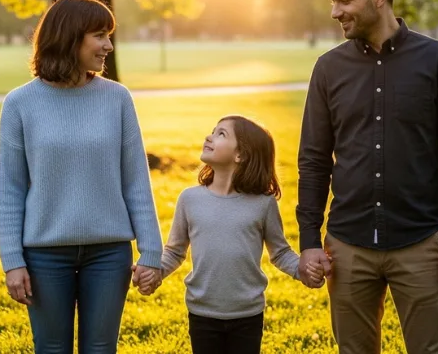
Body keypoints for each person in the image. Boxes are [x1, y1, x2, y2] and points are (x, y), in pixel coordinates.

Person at [296, 0, 438, 353]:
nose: (334, 12)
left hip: (420, 244)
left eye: (344, 0)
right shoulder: (328, 69)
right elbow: (313, 160)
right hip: (347, 245)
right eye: (332, 1)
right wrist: (310, 239)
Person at [0, 0, 163, 354]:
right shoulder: (19, 104)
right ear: (70, 37)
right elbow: (9, 189)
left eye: (109, 35)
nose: (109, 46)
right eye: (100, 35)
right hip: (43, 255)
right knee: (51, 349)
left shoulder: (117, 98)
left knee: (101, 349)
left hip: (109, 253)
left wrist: (151, 251)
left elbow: (135, 180)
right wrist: (12, 261)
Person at [138, 115, 323, 354]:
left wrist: (303, 270)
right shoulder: (190, 199)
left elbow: (280, 252)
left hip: (248, 315)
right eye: (213, 131)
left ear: (241, 155)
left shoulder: (263, 203)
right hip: (202, 313)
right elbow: (174, 252)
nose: (209, 136)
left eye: (221, 134)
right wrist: (156, 273)